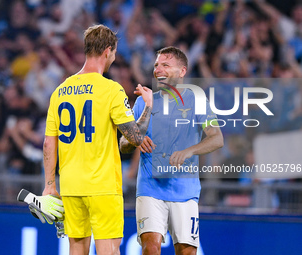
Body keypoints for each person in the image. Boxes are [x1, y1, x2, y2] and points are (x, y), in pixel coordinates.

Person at [42, 24, 153, 255]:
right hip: (102, 186)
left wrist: (50, 184)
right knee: (109, 250)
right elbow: (133, 137)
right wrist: (148, 107)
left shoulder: (60, 91)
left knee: (76, 248)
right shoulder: (111, 90)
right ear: (107, 51)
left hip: (71, 185)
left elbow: (48, 143)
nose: (113, 57)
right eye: (114, 53)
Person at [120, 46, 224, 255]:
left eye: (165, 65)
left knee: (187, 252)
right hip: (150, 189)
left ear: (182, 71)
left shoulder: (197, 100)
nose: (158, 69)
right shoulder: (143, 101)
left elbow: (217, 138)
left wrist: (189, 151)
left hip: (185, 192)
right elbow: (123, 144)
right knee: (151, 247)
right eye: (157, 65)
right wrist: (136, 139)